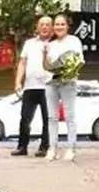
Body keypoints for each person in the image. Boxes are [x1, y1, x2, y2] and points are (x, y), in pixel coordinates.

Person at [43, 13, 84, 162]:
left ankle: (71, 148)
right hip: (51, 83)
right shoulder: (50, 44)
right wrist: (45, 55)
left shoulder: (74, 41)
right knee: (52, 117)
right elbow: (46, 66)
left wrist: (66, 71)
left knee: (69, 116)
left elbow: (78, 61)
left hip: (68, 82)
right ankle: (52, 148)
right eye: (56, 24)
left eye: (62, 24)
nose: (59, 27)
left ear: (67, 26)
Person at [12, 15, 52, 157]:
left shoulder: (56, 43)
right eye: (42, 24)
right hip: (30, 86)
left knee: (47, 119)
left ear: (52, 27)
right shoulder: (29, 43)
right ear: (37, 27)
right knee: (25, 118)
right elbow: (22, 63)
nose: (45, 27)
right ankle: (22, 147)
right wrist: (18, 81)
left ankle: (44, 147)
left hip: (49, 87)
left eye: (48, 24)